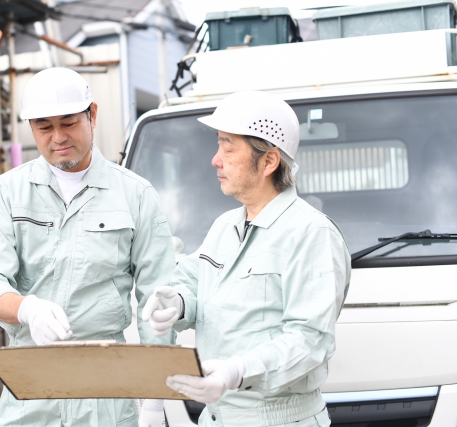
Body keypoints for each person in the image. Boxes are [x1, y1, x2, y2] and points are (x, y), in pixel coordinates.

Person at [0, 67, 175, 427]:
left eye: (68, 123)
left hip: (105, 394)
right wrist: (27, 309)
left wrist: (157, 397)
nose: (58, 137)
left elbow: (158, 299)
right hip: (30, 391)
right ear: (31, 128)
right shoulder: (7, 193)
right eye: (44, 127)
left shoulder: (135, 195)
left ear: (92, 114)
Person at [142, 91, 350, 427]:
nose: (215, 160)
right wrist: (177, 303)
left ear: (268, 162)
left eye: (227, 148)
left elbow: (310, 340)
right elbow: (194, 282)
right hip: (216, 417)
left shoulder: (311, 233)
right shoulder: (225, 226)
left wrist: (237, 371)